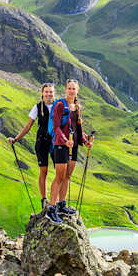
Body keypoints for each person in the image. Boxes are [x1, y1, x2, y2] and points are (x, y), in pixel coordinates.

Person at [46, 78, 92, 223]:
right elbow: (56, 127)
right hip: (61, 145)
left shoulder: (77, 107)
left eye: (74, 88)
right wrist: (65, 140)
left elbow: (79, 128)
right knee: (59, 177)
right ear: (65, 89)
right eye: (69, 88)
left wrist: (85, 141)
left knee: (67, 176)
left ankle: (62, 204)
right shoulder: (60, 105)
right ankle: (51, 209)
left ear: (77, 90)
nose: (71, 91)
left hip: (74, 145)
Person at [7, 83, 55, 209]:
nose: (49, 94)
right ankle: (44, 200)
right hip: (42, 142)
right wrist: (16, 139)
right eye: (46, 92)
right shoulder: (37, 107)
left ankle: (57, 201)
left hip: (56, 142)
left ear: (53, 93)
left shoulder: (58, 106)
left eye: (51, 92)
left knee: (60, 171)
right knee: (43, 171)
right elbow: (28, 126)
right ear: (42, 93)